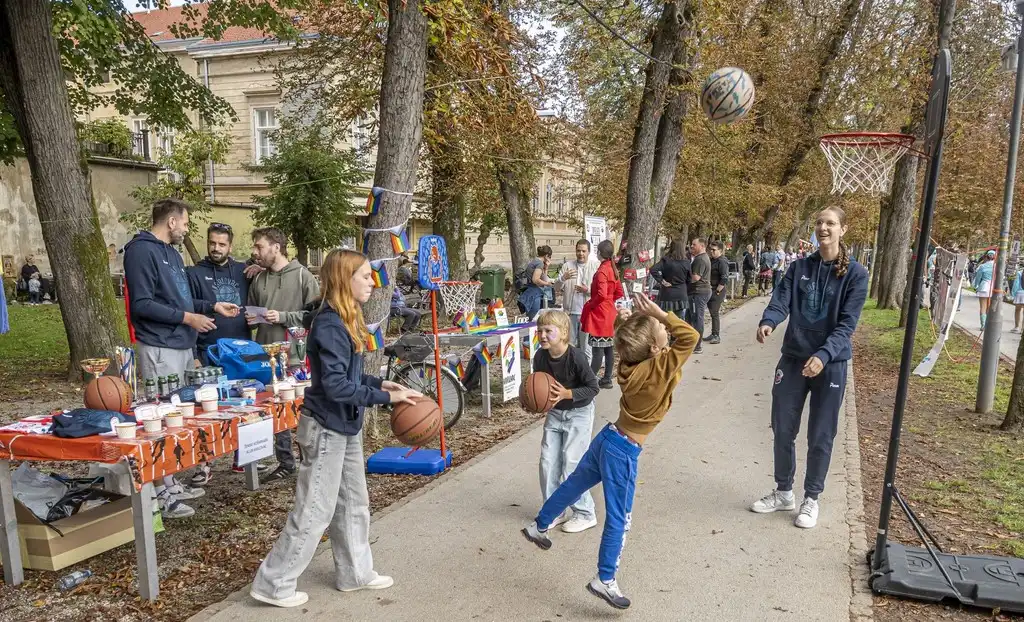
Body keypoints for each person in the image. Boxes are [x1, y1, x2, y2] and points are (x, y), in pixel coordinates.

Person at [249, 249, 421, 609]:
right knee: (315, 509)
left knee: (353, 502)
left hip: (345, 424)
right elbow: (336, 387)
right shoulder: (329, 324)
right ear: (345, 279)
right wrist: (384, 397)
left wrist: (382, 383)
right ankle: (274, 582)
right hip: (326, 427)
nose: (372, 282)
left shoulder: (345, 318)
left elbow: (349, 378)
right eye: (364, 276)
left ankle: (355, 573)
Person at [522, 293, 700, 610]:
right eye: (662, 329)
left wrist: (631, 321)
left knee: (573, 485)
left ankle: (540, 525)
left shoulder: (629, 364)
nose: (665, 328)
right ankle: (604, 579)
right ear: (655, 349)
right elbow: (691, 337)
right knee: (619, 519)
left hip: (608, 438)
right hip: (623, 450)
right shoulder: (658, 370)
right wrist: (661, 315)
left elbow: (637, 338)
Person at [749, 206, 868, 529]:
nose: (823, 228)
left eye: (830, 223)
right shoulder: (799, 267)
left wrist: (824, 355)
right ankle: (783, 491)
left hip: (830, 364)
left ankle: (811, 497)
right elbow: (781, 300)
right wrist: (769, 321)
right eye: (819, 222)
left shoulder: (856, 274)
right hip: (793, 358)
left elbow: (847, 324)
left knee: (820, 434)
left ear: (843, 229)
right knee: (783, 428)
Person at [124, 198, 239, 518]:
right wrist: (189, 319)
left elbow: (181, 299)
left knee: (178, 418)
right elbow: (142, 305)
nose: (187, 229)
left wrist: (211, 306)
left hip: (183, 345)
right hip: (160, 346)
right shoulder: (140, 251)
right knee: (159, 419)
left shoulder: (173, 254)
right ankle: (159, 492)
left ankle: (171, 481)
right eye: (185, 223)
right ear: (172, 222)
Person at [247, 227, 321, 484]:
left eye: (259, 247)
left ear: (276, 247)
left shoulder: (302, 276)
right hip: (265, 357)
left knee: (303, 410)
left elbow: (315, 316)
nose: (255, 252)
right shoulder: (258, 278)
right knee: (275, 410)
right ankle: (285, 462)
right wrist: (251, 318)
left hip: (296, 357)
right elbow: (252, 312)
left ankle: (311, 461)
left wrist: (283, 317)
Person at [532, 309, 601, 534]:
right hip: (555, 413)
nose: (542, 335)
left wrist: (567, 394)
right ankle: (555, 510)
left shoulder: (576, 357)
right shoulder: (540, 357)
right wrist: (533, 402)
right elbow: (538, 387)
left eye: (548, 330)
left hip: (579, 413)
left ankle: (585, 513)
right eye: (539, 330)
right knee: (548, 462)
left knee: (571, 463)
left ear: (563, 333)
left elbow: (593, 388)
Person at [187, 223, 251, 365]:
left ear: (230, 247)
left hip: (242, 350)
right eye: (212, 243)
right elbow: (187, 308)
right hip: (209, 352)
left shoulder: (244, 271)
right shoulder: (194, 273)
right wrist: (194, 355)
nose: (216, 248)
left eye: (222, 244)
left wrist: (259, 268)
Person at [581, 240, 623, 389]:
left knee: (597, 350)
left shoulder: (602, 271)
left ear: (599, 252)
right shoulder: (613, 269)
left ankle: (590, 380)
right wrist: (610, 302)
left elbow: (601, 294)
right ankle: (607, 379)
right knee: (608, 348)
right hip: (610, 312)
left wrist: (591, 304)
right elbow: (619, 292)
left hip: (599, 314)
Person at [557, 240, 600, 363]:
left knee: (586, 348)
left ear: (589, 252)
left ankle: (586, 373)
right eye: (578, 251)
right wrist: (563, 278)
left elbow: (601, 291)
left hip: (587, 314)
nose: (581, 253)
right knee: (569, 346)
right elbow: (556, 287)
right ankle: (570, 371)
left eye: (583, 251)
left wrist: (588, 290)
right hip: (570, 313)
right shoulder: (567, 266)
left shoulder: (595, 266)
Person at [650, 240, 690, 320]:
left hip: (668, 293)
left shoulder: (666, 261)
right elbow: (689, 279)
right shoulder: (686, 262)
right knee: (679, 320)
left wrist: (662, 281)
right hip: (681, 293)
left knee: (665, 318)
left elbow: (653, 269)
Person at [688, 237, 711, 354]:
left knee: (697, 318)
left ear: (702, 246)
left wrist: (686, 276)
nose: (691, 246)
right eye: (691, 244)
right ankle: (694, 343)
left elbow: (696, 278)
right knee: (695, 317)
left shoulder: (700, 259)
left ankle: (697, 346)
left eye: (694, 244)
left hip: (698, 292)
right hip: (700, 291)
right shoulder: (701, 257)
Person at [518, 246, 555, 319]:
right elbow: (535, 280)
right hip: (534, 294)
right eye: (550, 257)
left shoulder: (535, 261)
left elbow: (543, 278)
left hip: (531, 292)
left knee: (532, 318)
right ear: (546, 256)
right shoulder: (539, 264)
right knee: (534, 318)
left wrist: (546, 267)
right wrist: (547, 284)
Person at [706, 241, 730, 345]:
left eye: (714, 250)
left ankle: (716, 335)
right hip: (710, 289)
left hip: (717, 290)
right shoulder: (712, 260)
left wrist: (717, 291)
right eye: (710, 249)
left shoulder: (722, 261)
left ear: (720, 250)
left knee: (714, 312)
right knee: (712, 312)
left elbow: (724, 278)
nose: (711, 251)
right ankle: (713, 333)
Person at [973, 250, 995, 330]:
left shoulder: (982, 266)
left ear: (986, 257)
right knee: (990, 307)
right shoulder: (997, 266)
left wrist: (976, 286)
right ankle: (989, 325)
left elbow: (978, 278)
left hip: (984, 287)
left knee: (983, 307)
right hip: (993, 287)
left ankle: (983, 325)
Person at [1012, 267, 1024, 334]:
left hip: (1020, 294)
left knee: (1017, 310)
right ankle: (1022, 329)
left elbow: (1016, 284)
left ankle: (1016, 327)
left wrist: (1013, 294)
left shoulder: (1020, 272)